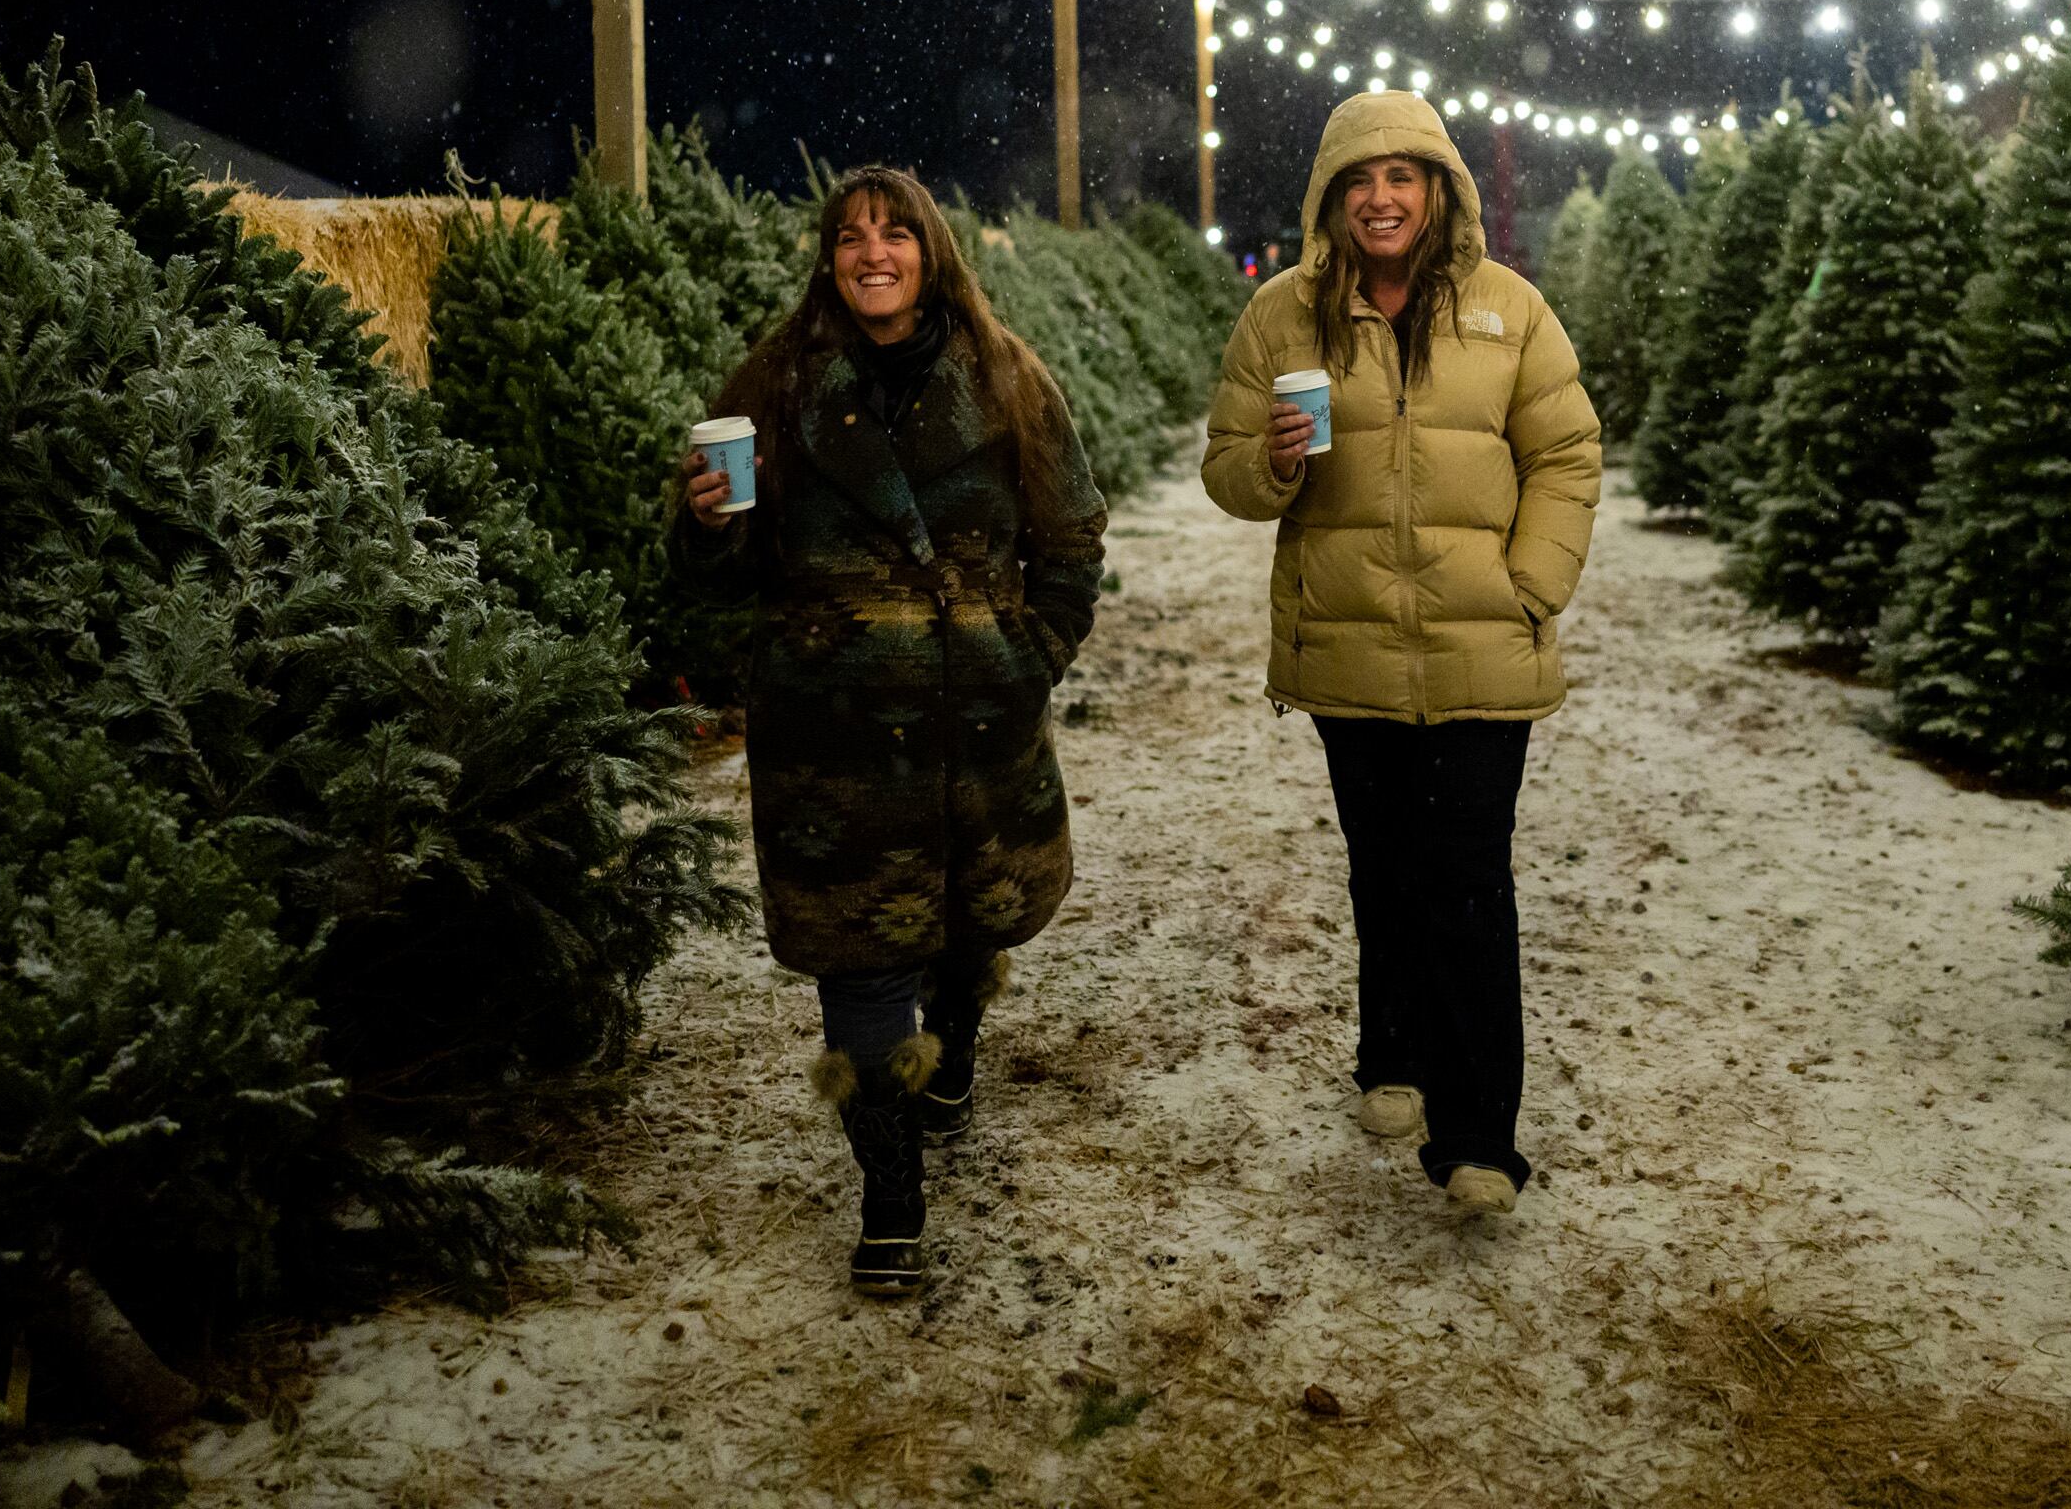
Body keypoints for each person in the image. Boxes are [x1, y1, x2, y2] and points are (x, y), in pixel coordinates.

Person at [674, 166, 1106, 1295]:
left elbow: (1071, 541)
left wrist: (1027, 655)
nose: (873, 252)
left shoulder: (1010, 381)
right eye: (851, 236)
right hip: (836, 741)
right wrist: (712, 537)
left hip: (977, 723)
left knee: (969, 924)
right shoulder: (774, 387)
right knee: (862, 962)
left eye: (895, 233)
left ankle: (957, 1038)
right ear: (829, 260)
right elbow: (712, 576)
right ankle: (890, 1185)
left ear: (932, 253)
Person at [1203, 90, 1601, 1214]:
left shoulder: (1509, 310)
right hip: (1350, 644)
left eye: (1404, 177)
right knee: (1384, 863)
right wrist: (1274, 465)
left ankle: (1479, 1139)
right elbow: (1225, 468)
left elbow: (1568, 451)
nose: (1382, 198)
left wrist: (1534, 582)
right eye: (1359, 181)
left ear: (1439, 191)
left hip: (1484, 649)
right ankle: (1394, 1054)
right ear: (1333, 198)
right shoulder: (1284, 316)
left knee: (1469, 878)